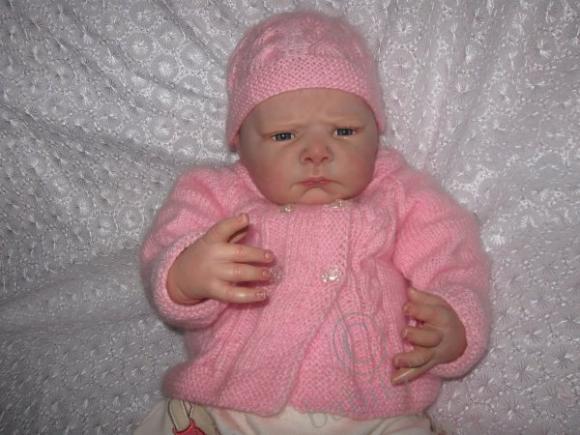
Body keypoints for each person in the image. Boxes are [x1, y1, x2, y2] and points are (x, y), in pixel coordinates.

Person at [136, 10, 490, 435]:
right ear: (239, 143)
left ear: (376, 134)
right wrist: (185, 275)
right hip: (227, 404)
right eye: (284, 136)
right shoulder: (215, 193)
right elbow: (166, 247)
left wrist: (456, 322)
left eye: (344, 131)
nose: (317, 153)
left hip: (376, 409)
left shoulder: (398, 192)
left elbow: (452, 255)